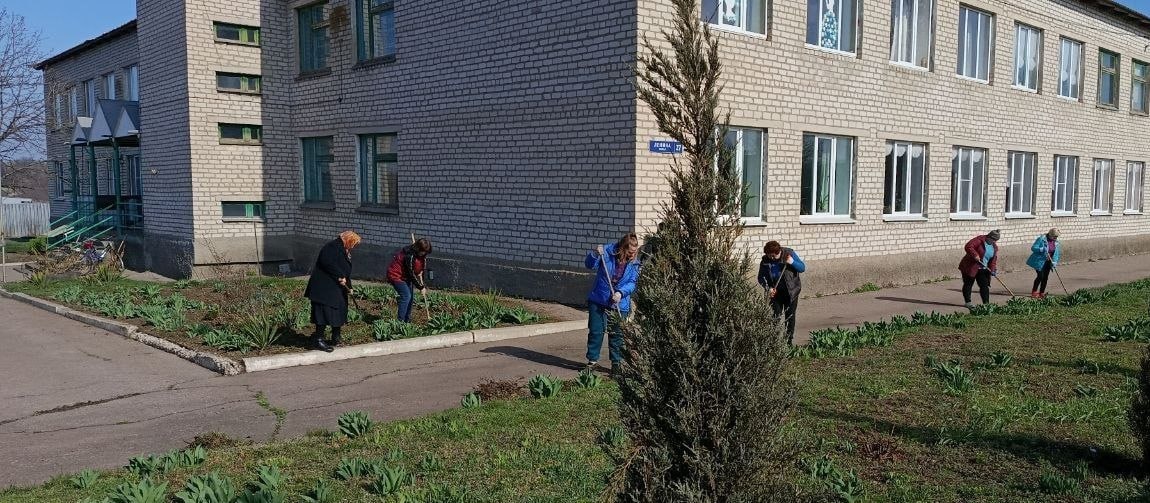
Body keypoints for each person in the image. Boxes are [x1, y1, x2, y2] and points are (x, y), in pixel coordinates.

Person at [584, 233, 641, 375]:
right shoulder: (606, 252)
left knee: (617, 334)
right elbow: (589, 265)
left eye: (635, 252)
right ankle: (592, 362)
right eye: (630, 252)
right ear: (622, 248)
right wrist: (594, 254)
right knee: (596, 331)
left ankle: (616, 364)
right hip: (599, 299)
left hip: (619, 303)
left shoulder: (634, 263)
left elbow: (632, 282)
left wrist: (621, 293)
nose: (632, 255)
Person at [304, 230, 361, 353]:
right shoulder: (332, 247)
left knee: (340, 310)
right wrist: (339, 276)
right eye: (353, 244)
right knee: (323, 313)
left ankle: (336, 337)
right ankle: (318, 340)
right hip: (324, 288)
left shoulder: (344, 250)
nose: (354, 247)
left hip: (335, 288)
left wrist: (349, 286)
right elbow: (326, 262)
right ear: (348, 241)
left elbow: (345, 271)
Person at [757, 241, 806, 345]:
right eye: (770, 256)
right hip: (775, 293)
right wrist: (768, 288)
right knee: (775, 317)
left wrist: (792, 262)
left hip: (791, 291)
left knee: (790, 317)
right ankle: (774, 343)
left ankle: (788, 342)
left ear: (779, 252)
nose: (772, 258)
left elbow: (802, 268)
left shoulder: (789, 253)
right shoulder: (765, 260)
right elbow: (761, 277)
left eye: (774, 256)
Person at [387, 238, 433, 323]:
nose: (425, 254)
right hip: (396, 275)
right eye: (424, 252)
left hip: (406, 276)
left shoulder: (421, 255)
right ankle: (400, 322)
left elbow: (420, 268)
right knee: (406, 296)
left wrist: (421, 275)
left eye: (426, 252)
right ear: (419, 249)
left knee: (411, 298)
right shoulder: (409, 255)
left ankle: (407, 321)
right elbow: (411, 273)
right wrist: (420, 287)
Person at [959, 230, 1000, 309]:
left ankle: (986, 304)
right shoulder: (979, 240)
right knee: (968, 284)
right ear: (989, 237)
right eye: (993, 240)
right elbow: (968, 246)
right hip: (971, 266)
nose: (994, 242)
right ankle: (968, 302)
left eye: (996, 240)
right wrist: (975, 255)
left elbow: (993, 260)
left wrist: (993, 269)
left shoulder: (994, 247)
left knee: (984, 286)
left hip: (983, 268)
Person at [1027, 228, 1061, 298]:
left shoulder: (1056, 242)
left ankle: (1042, 292)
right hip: (1039, 261)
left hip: (1048, 262)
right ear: (1050, 234)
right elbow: (1033, 248)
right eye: (1054, 236)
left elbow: (1057, 253)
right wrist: (1041, 249)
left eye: (1057, 237)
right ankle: (1034, 292)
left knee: (1045, 277)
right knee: (1040, 276)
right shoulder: (1041, 239)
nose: (1056, 238)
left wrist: (1055, 261)